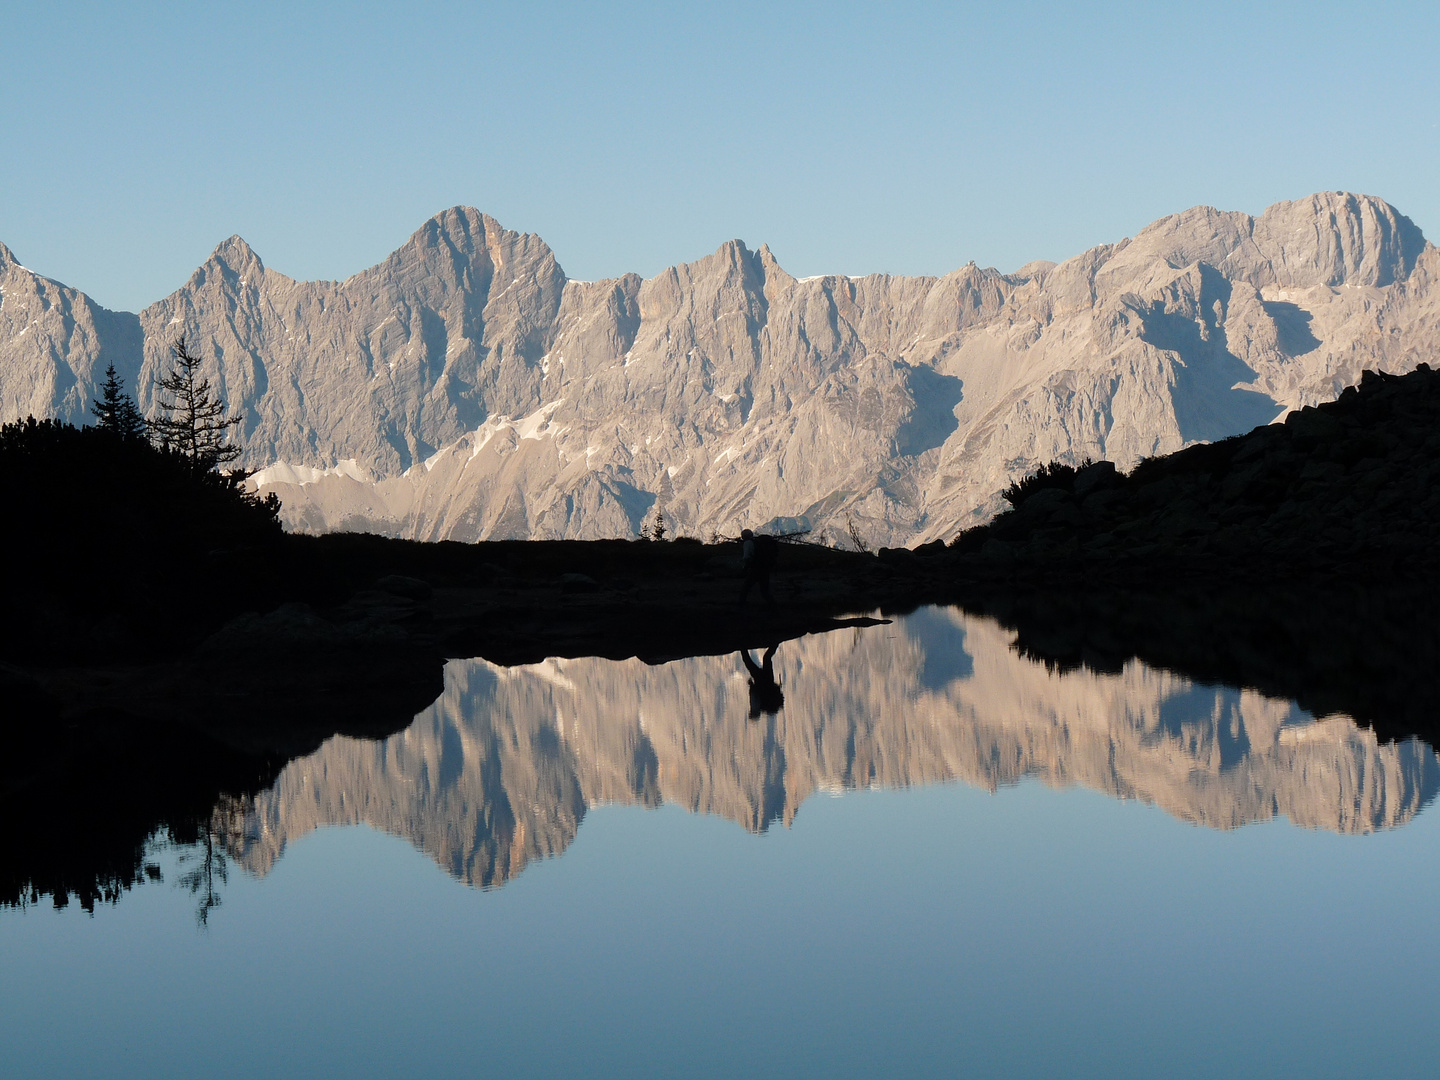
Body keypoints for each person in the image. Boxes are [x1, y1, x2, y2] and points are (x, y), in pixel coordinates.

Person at [741, 644, 784, 719]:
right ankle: (741, 645)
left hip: (769, 679)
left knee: (766, 658)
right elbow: (754, 693)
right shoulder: (757, 705)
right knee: (748, 661)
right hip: (760, 679)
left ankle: (776, 643)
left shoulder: (763, 707)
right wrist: (751, 684)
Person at [738, 528, 778, 606]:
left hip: (755, 569)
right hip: (764, 568)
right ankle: (774, 607)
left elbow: (746, 557)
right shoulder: (757, 542)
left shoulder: (747, 543)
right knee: (764, 590)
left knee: (745, 588)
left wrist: (744, 568)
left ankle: (740, 606)